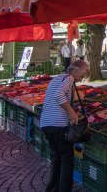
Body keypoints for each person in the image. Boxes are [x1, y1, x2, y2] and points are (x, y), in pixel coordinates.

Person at [40, 60, 89, 192]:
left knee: (56, 158)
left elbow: (58, 97)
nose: (81, 79)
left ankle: (51, 188)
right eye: (82, 75)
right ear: (76, 71)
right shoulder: (69, 78)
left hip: (46, 123)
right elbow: (58, 95)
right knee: (66, 160)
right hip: (58, 125)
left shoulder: (57, 78)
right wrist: (72, 112)